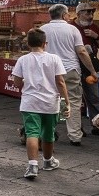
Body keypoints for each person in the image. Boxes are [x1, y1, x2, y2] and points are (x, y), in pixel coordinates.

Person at [10, 28, 71, 179]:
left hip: (30, 102)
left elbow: (16, 82)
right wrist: (67, 102)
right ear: (45, 43)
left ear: (28, 44)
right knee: (48, 134)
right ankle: (48, 161)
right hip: (50, 103)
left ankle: (32, 165)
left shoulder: (23, 60)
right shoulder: (54, 59)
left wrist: (26, 82)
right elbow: (60, 82)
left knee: (32, 133)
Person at [39, 3, 96, 145]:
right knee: (74, 102)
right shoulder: (72, 30)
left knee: (49, 101)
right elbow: (82, 51)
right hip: (70, 70)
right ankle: (75, 135)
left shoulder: (42, 29)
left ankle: (48, 131)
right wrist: (92, 71)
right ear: (65, 15)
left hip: (48, 70)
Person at [74, 2, 99, 136]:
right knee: (76, 99)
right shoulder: (71, 27)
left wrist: (96, 36)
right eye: (87, 12)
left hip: (90, 68)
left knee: (94, 97)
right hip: (76, 67)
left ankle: (98, 126)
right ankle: (76, 128)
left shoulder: (93, 27)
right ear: (78, 14)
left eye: (92, 12)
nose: (90, 15)